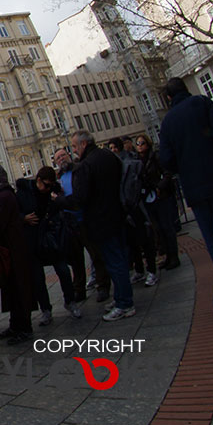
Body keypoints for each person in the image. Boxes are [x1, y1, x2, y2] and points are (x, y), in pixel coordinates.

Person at [159, 77, 213, 318]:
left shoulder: (168, 122)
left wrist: (183, 165)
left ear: (168, 97)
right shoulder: (203, 103)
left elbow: (166, 159)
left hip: (193, 188)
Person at [57, 130, 134, 322]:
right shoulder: (109, 155)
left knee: (114, 261)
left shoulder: (86, 165)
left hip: (101, 219)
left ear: (83, 145)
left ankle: (125, 303)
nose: (74, 150)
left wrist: (58, 201)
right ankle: (121, 298)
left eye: (74, 147)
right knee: (119, 260)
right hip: (117, 214)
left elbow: (80, 198)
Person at [17, 167, 81, 323]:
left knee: (63, 270)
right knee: (38, 278)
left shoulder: (53, 192)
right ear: (38, 180)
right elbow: (15, 212)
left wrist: (56, 201)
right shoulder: (24, 192)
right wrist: (23, 218)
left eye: (50, 185)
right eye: (45, 185)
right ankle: (45, 309)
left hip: (51, 237)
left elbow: (64, 206)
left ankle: (70, 301)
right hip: (33, 240)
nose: (47, 189)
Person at [0, 163, 33, 344]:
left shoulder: (4, 196)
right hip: (9, 248)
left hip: (13, 248)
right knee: (11, 288)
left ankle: (24, 327)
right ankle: (15, 324)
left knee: (18, 287)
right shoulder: (0, 195)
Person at [109, 136, 159, 287]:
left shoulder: (132, 162)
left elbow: (140, 182)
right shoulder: (113, 165)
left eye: (114, 147)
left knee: (144, 239)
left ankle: (151, 270)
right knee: (131, 243)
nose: (113, 150)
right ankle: (139, 270)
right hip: (124, 209)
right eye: (110, 148)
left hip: (136, 206)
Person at [135, 134, 181, 271]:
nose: (139, 146)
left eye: (142, 143)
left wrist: (160, 187)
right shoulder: (139, 161)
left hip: (161, 196)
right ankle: (168, 256)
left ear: (147, 144)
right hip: (149, 198)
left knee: (167, 227)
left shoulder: (155, 157)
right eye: (137, 144)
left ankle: (174, 256)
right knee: (158, 229)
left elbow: (167, 174)